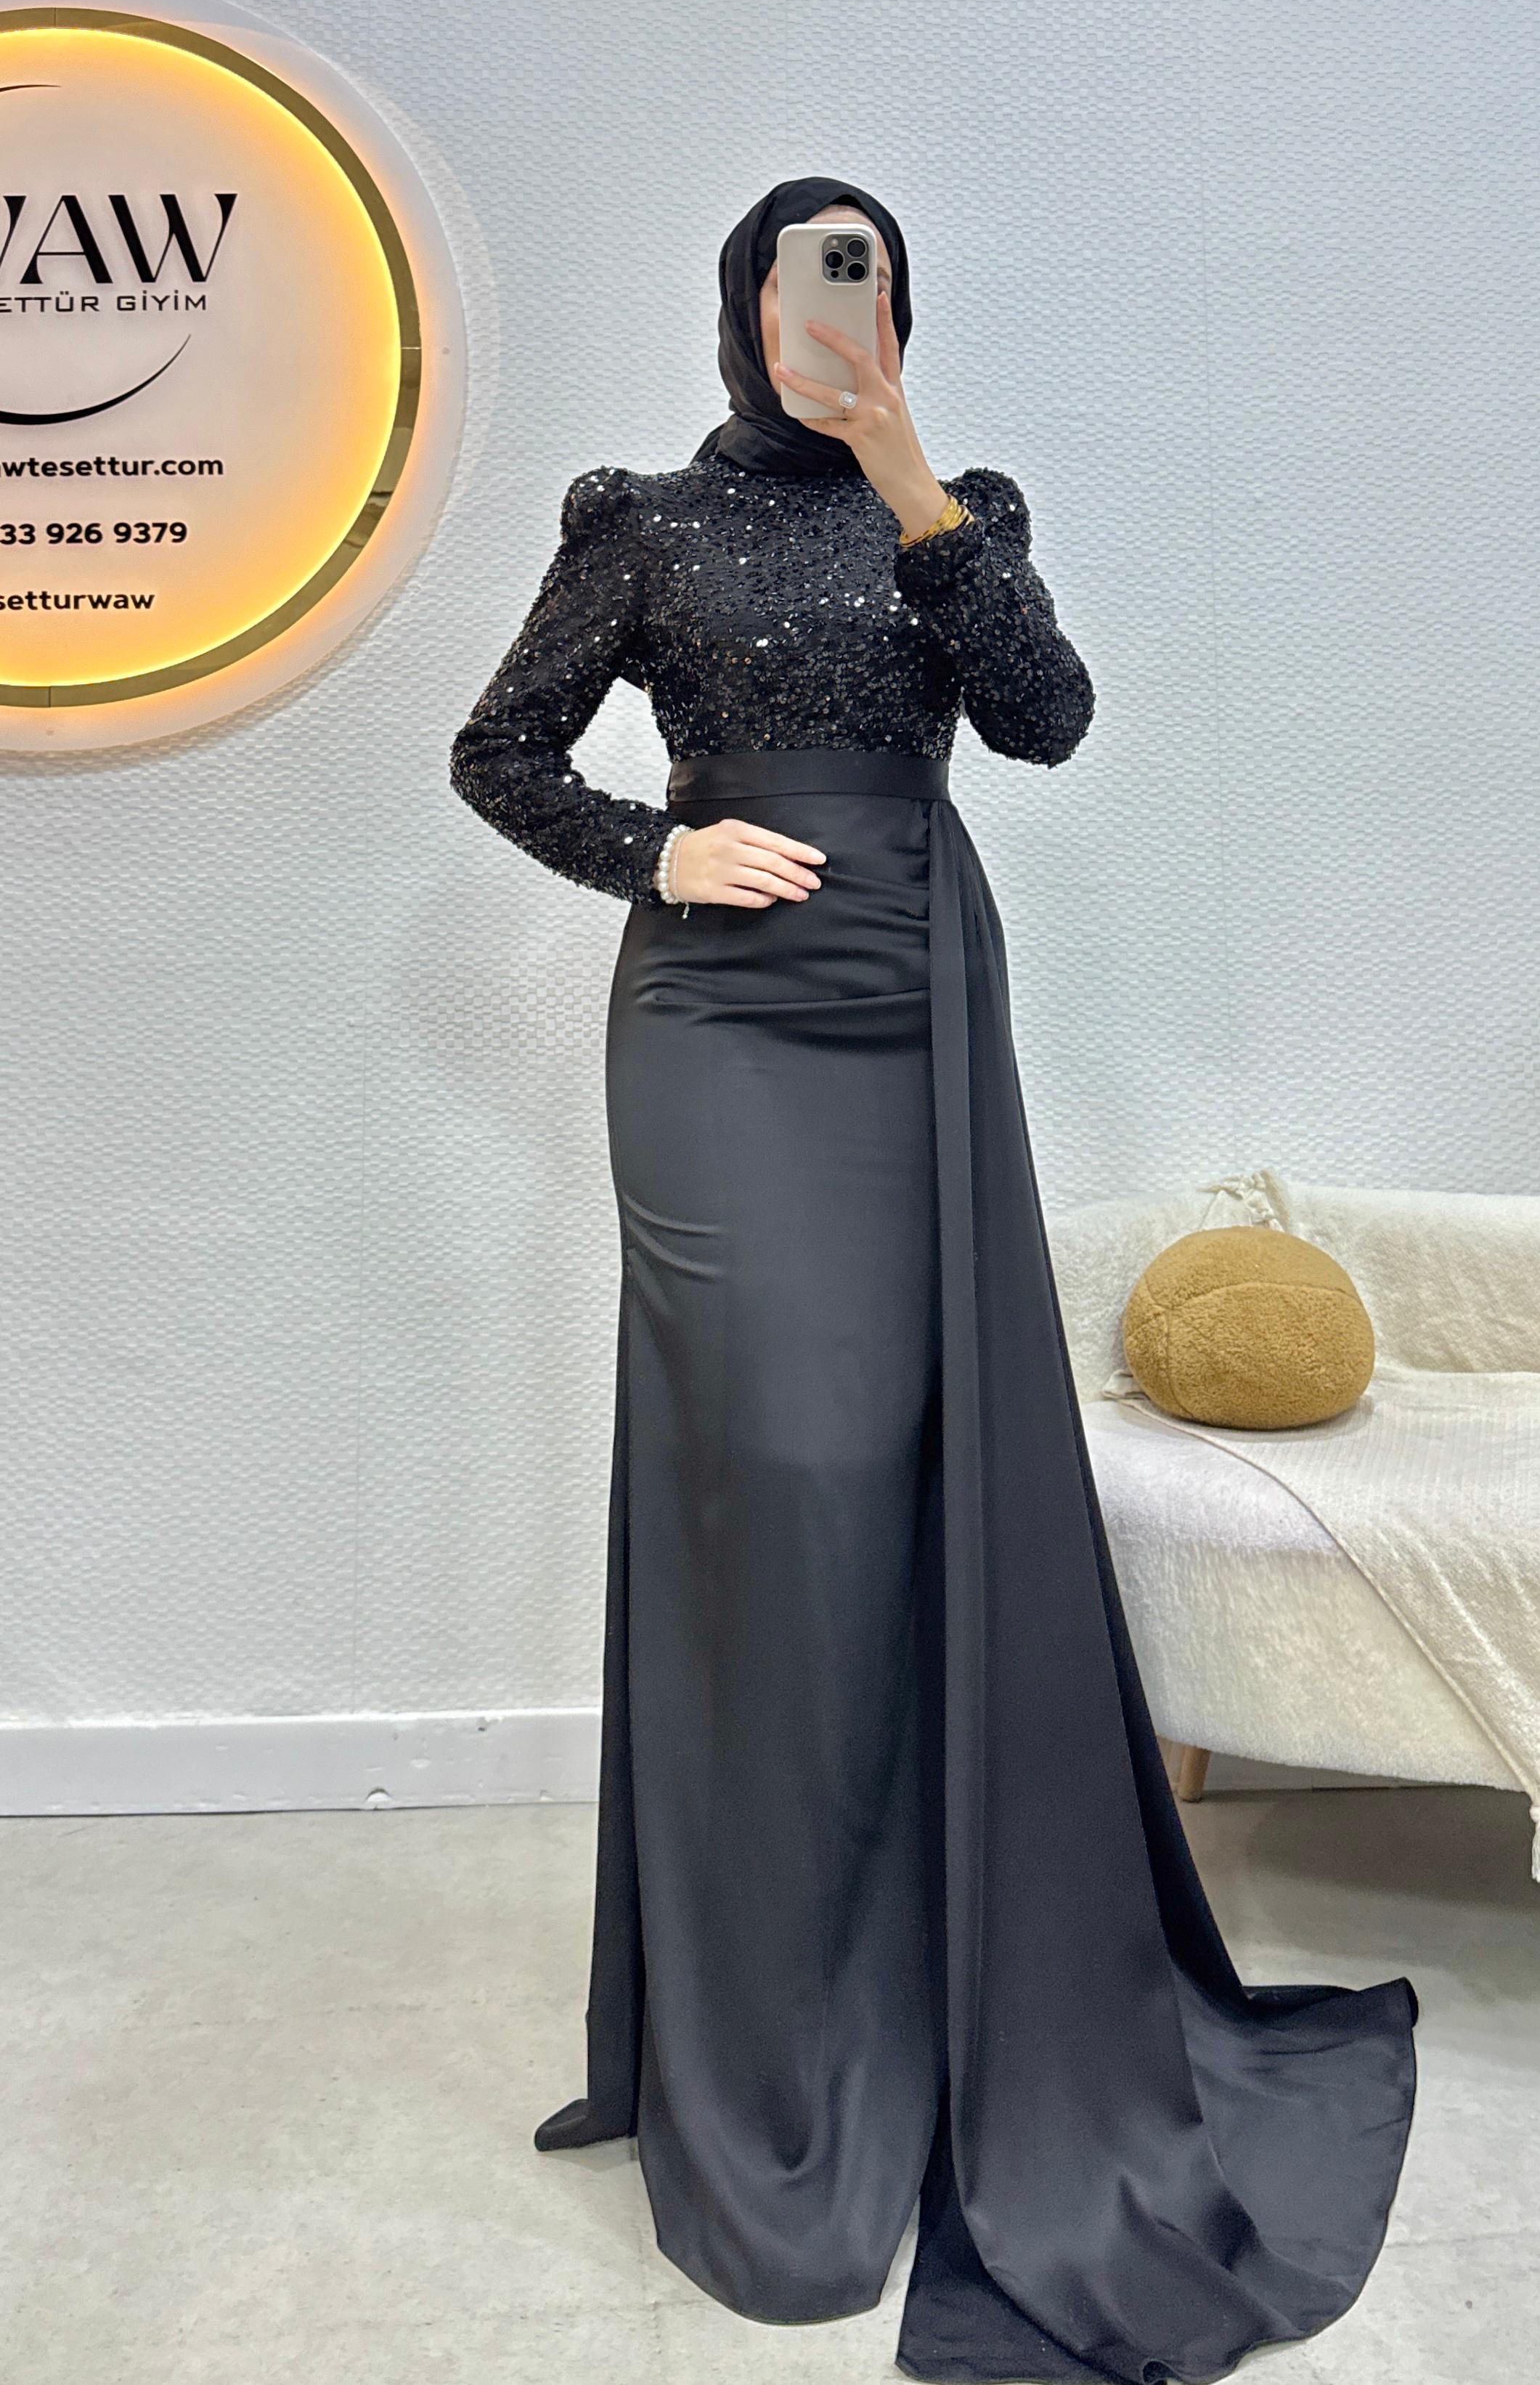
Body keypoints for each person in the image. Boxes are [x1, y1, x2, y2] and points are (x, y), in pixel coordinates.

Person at [449, 175, 1417, 2384]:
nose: (832, 312)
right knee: (776, 1467)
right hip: (717, 1024)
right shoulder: (639, 524)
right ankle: (760, 2014)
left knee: (902, 1462)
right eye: (805, 279)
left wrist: (906, 475)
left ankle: (922, 1969)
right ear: (739, 306)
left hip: (910, 1000)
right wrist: (656, 845)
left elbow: (1048, 719)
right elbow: (497, 750)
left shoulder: (955, 511)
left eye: (868, 281)